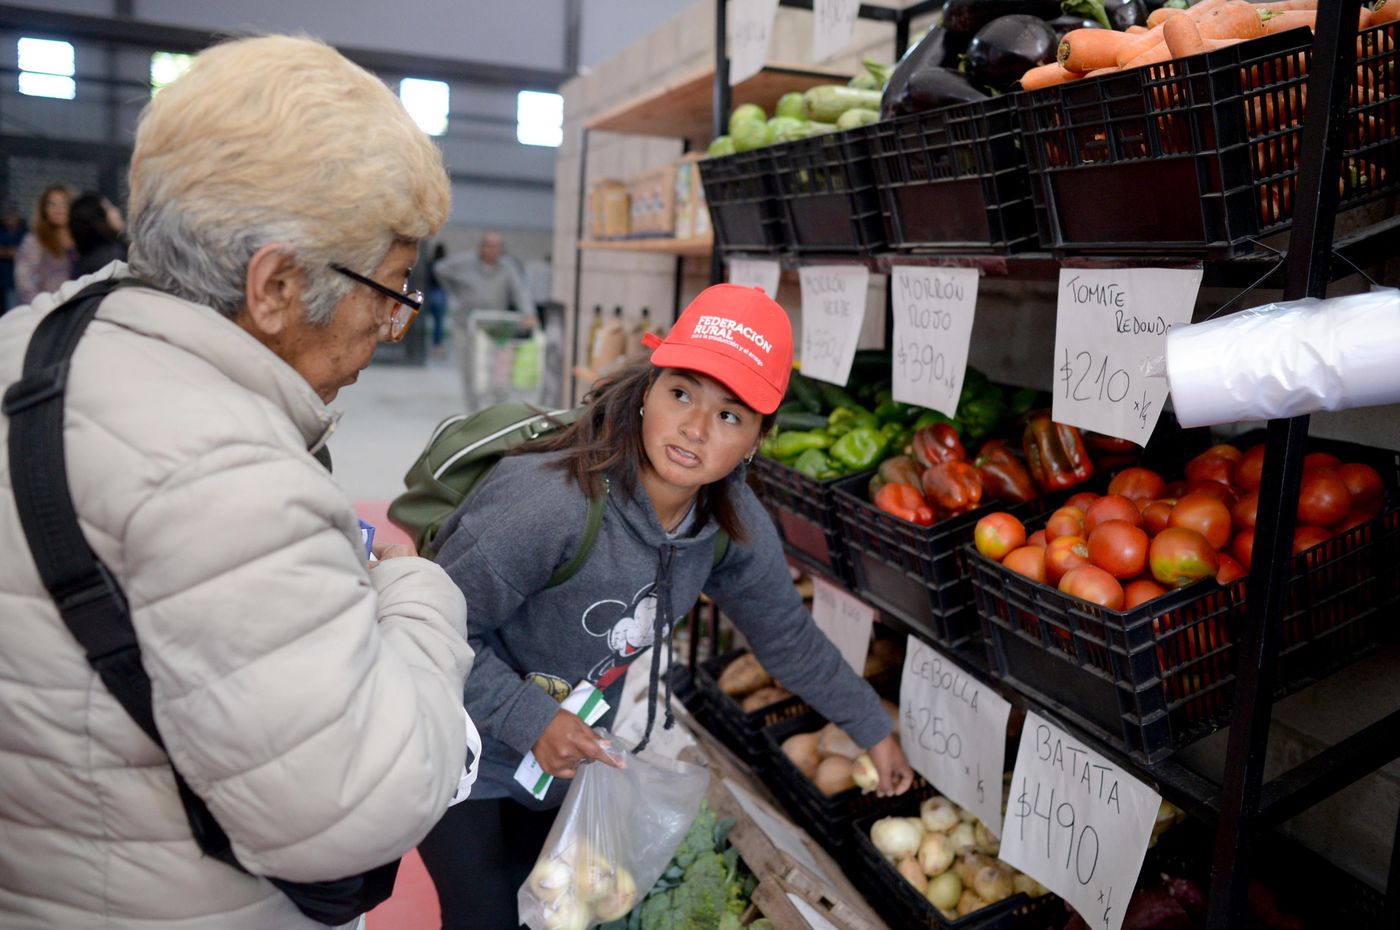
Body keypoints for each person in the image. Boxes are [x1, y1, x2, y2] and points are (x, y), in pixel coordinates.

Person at [0, 35, 476, 929]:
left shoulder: (30, 347)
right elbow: (362, 802)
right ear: (276, 285)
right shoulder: (227, 478)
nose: (391, 328)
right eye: (391, 290)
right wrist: (415, 593)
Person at [418, 283, 916, 929]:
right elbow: (431, 633)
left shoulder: (727, 523)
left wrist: (871, 729)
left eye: (730, 416)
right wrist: (530, 717)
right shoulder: (548, 504)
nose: (695, 428)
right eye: (681, 393)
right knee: (482, 917)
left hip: (560, 761)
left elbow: (786, 637)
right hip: (457, 751)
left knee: (542, 907)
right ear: (648, 391)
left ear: (758, 437)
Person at [435, 231, 535, 403]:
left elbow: (520, 292)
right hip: (466, 325)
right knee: (470, 367)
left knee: (498, 368)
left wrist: (528, 313)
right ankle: (473, 407)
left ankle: (498, 404)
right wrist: (455, 292)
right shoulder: (465, 263)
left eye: (497, 247)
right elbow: (439, 269)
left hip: (495, 326)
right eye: (489, 246)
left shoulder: (507, 267)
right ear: (481, 247)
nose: (493, 250)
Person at [13, 184, 75, 305]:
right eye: (52, 204)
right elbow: (24, 281)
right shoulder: (34, 242)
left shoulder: (82, 240)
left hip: (81, 309)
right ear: (44, 209)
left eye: (65, 204)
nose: (59, 209)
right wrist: (40, 307)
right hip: (48, 309)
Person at [68, 191, 128, 276]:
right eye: (109, 208)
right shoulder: (115, 258)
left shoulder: (83, 261)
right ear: (99, 220)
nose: (116, 211)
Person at [0, 204, 25, 314]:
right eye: (6, 216)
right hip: (3, 277)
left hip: (18, 279)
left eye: (11, 216)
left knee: (13, 310)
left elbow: (25, 252)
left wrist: (9, 251)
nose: (8, 219)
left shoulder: (24, 230)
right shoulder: (1, 230)